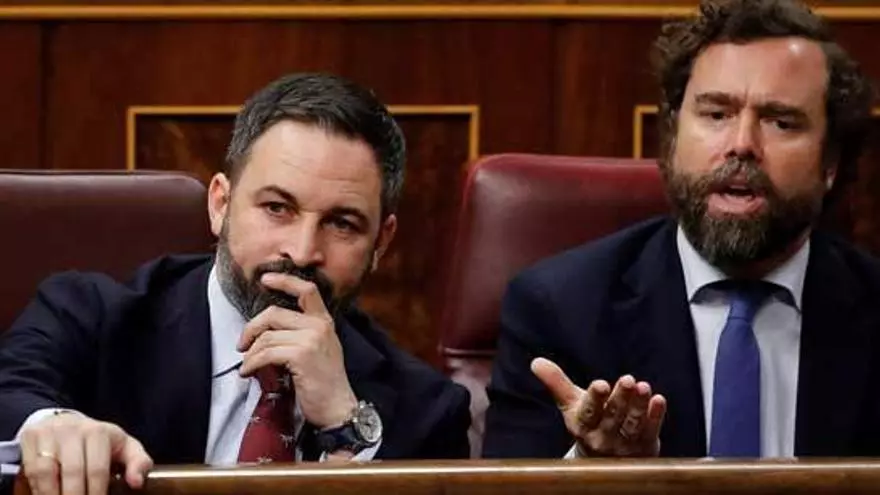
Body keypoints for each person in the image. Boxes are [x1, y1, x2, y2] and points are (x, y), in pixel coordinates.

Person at [0, 73, 471, 495]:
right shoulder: (90, 316)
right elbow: (11, 390)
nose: (302, 251)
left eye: (342, 223)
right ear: (220, 205)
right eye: (277, 208)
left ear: (381, 242)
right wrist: (51, 426)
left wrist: (345, 430)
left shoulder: (427, 410)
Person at [482, 0, 878, 459]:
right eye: (716, 114)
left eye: (780, 122)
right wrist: (591, 469)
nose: (742, 144)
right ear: (672, 137)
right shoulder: (559, 311)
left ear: (831, 162)